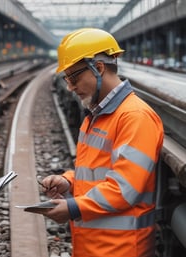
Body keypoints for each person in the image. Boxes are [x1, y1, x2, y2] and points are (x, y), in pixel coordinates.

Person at [37, 28, 164, 257]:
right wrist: (68, 182)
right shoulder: (96, 116)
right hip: (96, 247)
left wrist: (73, 208)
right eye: (67, 79)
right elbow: (97, 175)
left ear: (99, 68)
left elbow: (125, 189)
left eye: (74, 77)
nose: (70, 87)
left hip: (121, 249)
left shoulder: (135, 117)